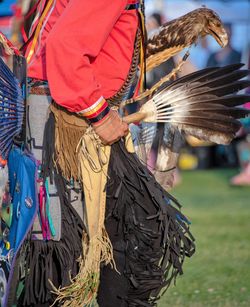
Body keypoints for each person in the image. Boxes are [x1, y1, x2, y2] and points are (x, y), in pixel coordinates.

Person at [1, 1, 195, 306]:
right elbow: (66, 46)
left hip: (66, 105)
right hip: (67, 114)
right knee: (65, 245)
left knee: (129, 227)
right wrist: (100, 114)